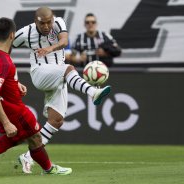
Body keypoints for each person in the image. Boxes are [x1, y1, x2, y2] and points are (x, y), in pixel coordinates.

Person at [13, 7, 111, 174]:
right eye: (42, 23)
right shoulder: (25, 32)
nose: (46, 26)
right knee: (69, 68)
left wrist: (50, 49)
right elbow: (6, 47)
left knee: (56, 120)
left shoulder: (58, 23)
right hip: (40, 73)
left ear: (53, 19)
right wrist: (13, 78)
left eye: (48, 22)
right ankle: (93, 92)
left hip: (58, 76)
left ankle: (28, 156)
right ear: (35, 21)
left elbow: (64, 41)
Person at [0, 17, 72, 176]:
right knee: (36, 137)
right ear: (12, 35)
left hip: (0, 104)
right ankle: (49, 169)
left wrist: (13, 83)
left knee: (17, 137)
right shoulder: (3, 61)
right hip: (11, 107)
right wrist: (6, 122)